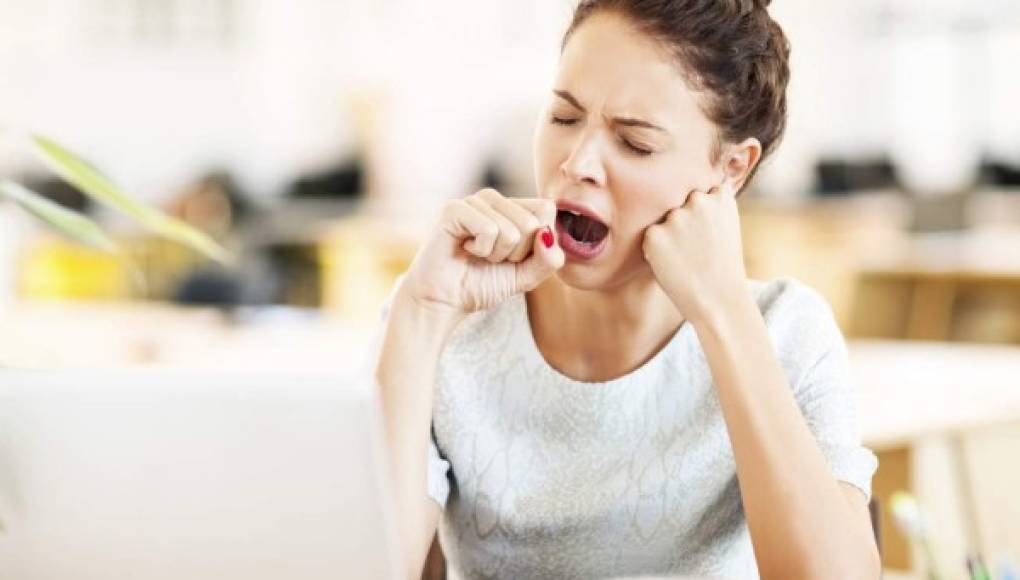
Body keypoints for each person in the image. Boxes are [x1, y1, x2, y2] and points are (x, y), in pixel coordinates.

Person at [374, 1, 880, 578]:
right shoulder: (444, 323)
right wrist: (421, 313)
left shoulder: (787, 330)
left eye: (635, 143)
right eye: (564, 118)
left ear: (731, 169)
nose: (578, 162)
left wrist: (723, 315)